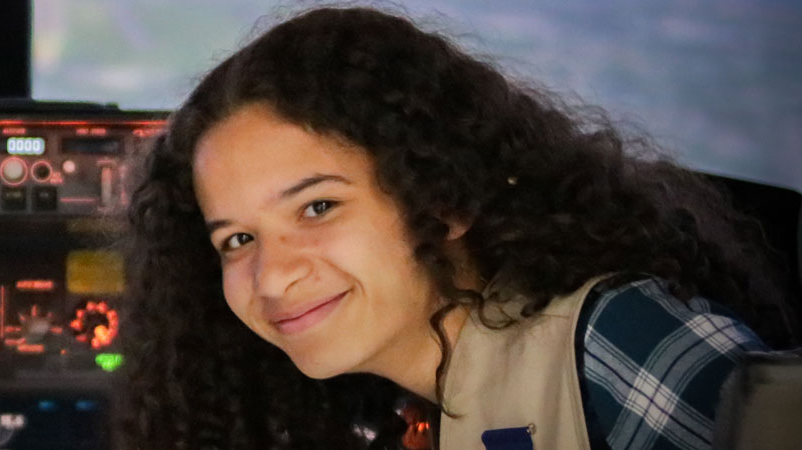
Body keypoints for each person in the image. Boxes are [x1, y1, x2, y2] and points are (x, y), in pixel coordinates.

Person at [123, 7, 793, 450]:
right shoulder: (392, 415)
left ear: (443, 196)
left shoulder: (621, 339)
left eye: (317, 208)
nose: (272, 275)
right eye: (237, 240)